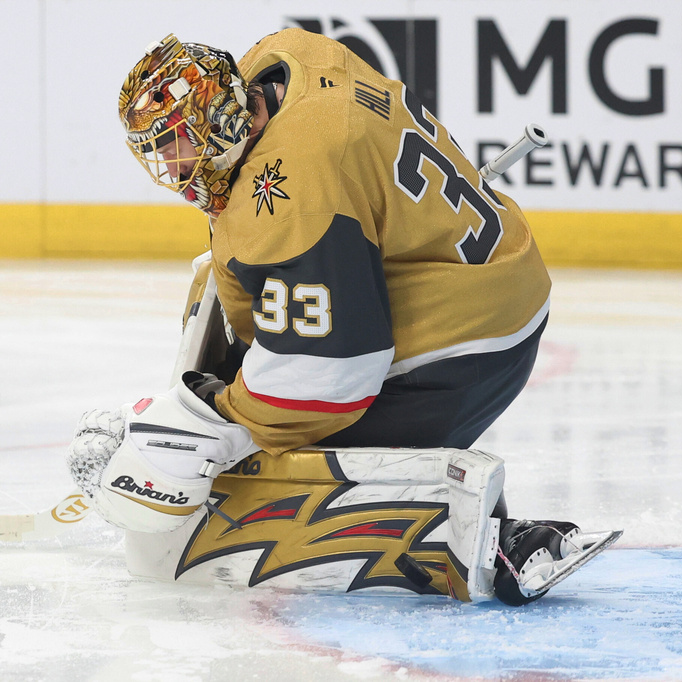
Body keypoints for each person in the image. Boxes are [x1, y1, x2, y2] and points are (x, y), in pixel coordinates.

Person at [65, 29, 615, 605]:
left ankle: (492, 542)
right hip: (485, 271)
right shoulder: (289, 55)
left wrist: (221, 429)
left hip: (469, 341)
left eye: (181, 142)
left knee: (276, 458)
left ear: (228, 123)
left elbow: (328, 378)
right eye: (161, 147)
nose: (173, 165)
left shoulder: (292, 189)